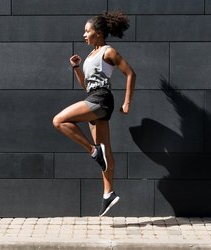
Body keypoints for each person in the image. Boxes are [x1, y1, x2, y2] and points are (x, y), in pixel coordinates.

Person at [52, 11, 136, 217]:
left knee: (59, 120)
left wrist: (127, 103)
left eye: (87, 31)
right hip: (93, 97)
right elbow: (86, 86)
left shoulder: (108, 51)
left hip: (101, 100)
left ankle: (92, 151)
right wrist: (76, 68)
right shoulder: (90, 55)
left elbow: (130, 73)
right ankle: (108, 193)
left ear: (98, 33)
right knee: (106, 154)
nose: (84, 35)